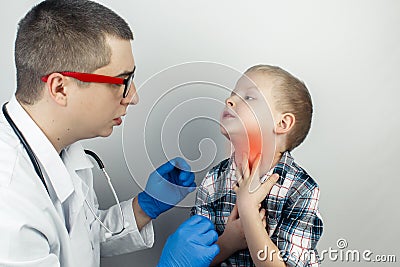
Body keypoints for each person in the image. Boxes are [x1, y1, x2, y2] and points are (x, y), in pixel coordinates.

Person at [0, 0, 219, 266]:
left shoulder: (64, 147)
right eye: (122, 81)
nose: (133, 97)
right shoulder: (10, 203)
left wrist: (144, 207)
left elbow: (83, 239)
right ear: (60, 89)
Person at [191, 65, 324, 266]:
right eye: (232, 94)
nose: (229, 101)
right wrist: (228, 243)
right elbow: (191, 259)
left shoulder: (301, 190)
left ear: (282, 124)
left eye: (249, 97)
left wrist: (248, 209)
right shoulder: (214, 180)